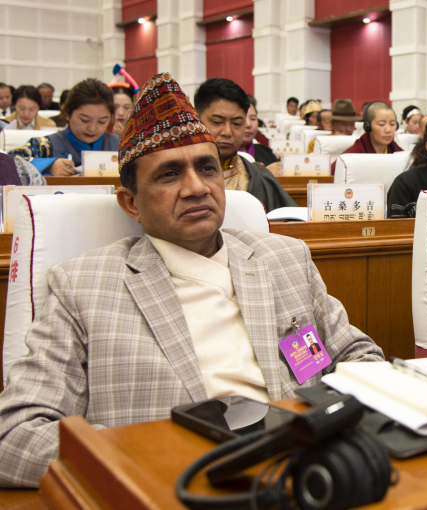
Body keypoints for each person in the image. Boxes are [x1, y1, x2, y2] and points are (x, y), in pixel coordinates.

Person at [0, 72, 384, 488]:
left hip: (308, 471)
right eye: (169, 175)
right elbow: (15, 437)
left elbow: (360, 357)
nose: (196, 188)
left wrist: (333, 428)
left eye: (207, 168)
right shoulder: (82, 286)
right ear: (131, 203)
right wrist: (156, 460)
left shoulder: (284, 259)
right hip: (172, 487)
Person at [194, 78, 295, 212]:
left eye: (236, 124)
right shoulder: (177, 175)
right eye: (217, 122)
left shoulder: (260, 177)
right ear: (197, 121)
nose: (227, 132)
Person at [7, 79, 120, 176]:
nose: (92, 128)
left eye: (102, 121)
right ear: (67, 114)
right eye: (84, 120)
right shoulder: (44, 146)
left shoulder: (120, 146)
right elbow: (6, 164)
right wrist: (47, 167)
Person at [334, 101, 403, 173]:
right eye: (381, 124)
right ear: (368, 127)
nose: (388, 130)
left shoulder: (400, 154)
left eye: (392, 124)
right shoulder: (352, 155)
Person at [240, 96, 280, 171]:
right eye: (242, 119)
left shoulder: (268, 153)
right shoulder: (222, 156)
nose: (248, 124)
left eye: (253, 119)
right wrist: (265, 173)